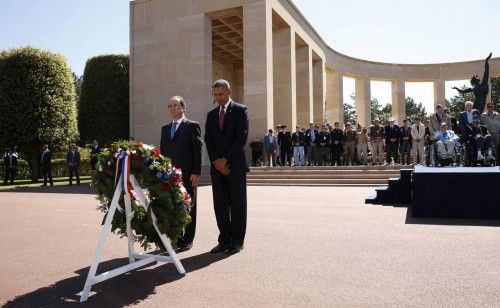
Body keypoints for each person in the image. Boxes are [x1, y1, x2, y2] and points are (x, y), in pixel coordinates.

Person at [204, 79, 249, 255]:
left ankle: (237, 241)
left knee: (237, 204)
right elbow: (208, 139)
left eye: (220, 94)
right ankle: (224, 240)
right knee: (220, 205)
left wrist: (225, 160)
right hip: (217, 168)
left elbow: (241, 138)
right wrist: (216, 161)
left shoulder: (240, 110)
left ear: (229, 91)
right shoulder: (211, 115)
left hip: (235, 166)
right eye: (215, 95)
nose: (218, 98)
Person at [160, 95, 203, 251]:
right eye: (170, 106)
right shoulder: (165, 129)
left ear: (183, 107)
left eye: (176, 105)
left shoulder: (192, 126)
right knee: (172, 206)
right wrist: (164, 172)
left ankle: (188, 239)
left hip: (188, 174)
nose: (172, 108)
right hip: (170, 176)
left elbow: (198, 151)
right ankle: (176, 237)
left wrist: (196, 172)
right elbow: (163, 153)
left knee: (188, 206)